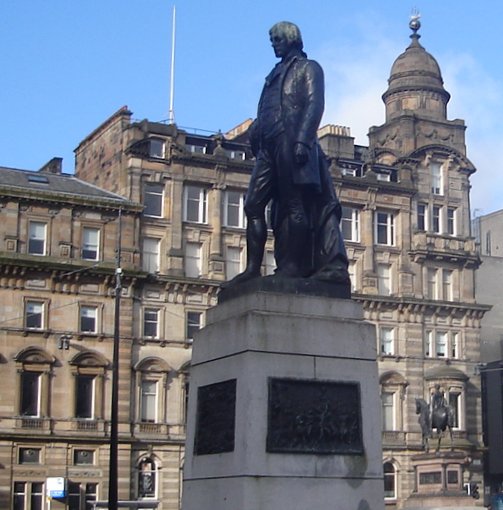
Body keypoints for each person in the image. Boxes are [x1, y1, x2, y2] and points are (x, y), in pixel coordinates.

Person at [224, 21, 349, 288]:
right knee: (253, 205)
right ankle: (252, 269)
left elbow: (315, 104)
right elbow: (266, 107)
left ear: (291, 39)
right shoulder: (274, 73)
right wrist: (257, 131)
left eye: (277, 39)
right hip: (268, 147)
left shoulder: (309, 68)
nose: (274, 44)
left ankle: (293, 266)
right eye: (272, 40)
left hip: (290, 141)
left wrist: (303, 140)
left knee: (295, 204)